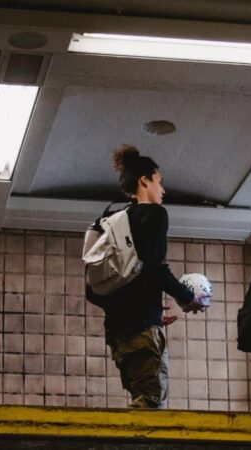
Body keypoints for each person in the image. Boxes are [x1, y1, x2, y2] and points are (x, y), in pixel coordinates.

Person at [102, 144, 209, 408]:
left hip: (118, 334)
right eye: (159, 183)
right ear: (144, 180)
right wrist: (187, 298)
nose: (163, 190)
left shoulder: (115, 221)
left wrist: (149, 308)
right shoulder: (154, 214)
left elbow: (104, 287)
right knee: (150, 405)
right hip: (141, 331)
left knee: (143, 399)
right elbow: (154, 266)